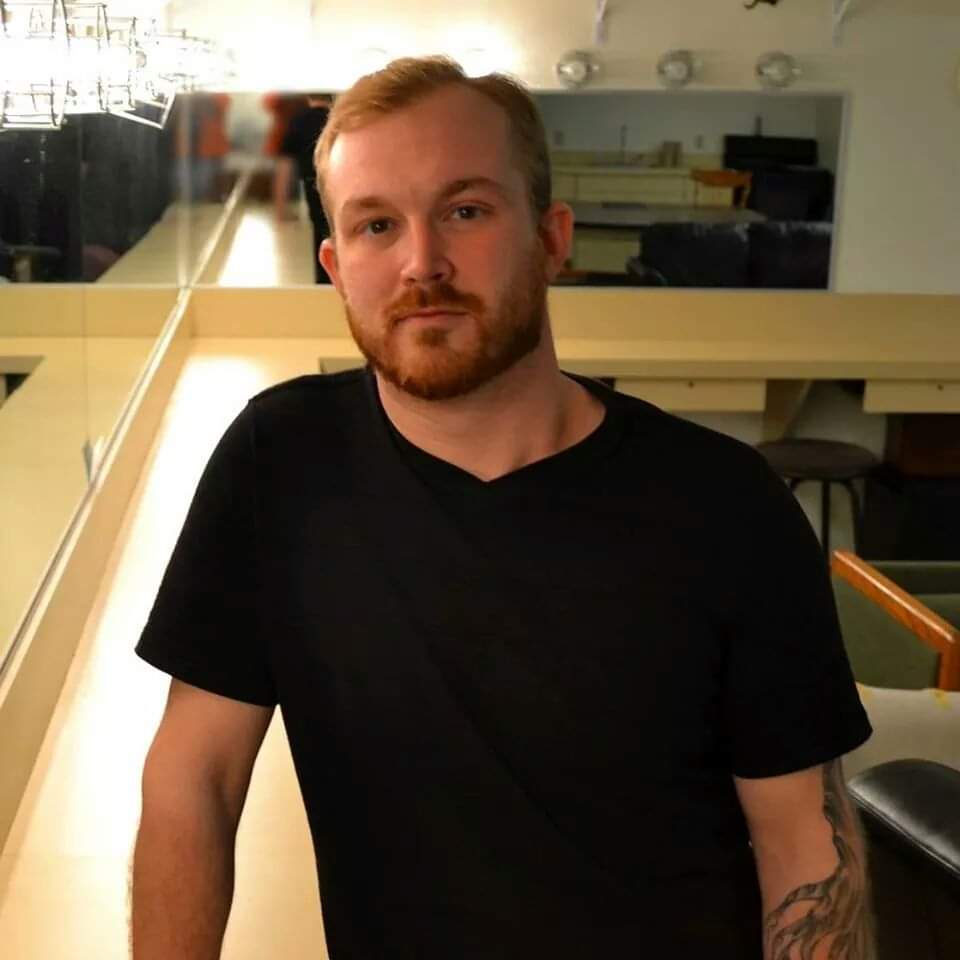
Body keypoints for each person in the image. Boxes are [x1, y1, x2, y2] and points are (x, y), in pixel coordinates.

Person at [132, 57, 874, 959]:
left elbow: (805, 839)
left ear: (553, 237)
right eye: (375, 225)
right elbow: (193, 778)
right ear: (334, 266)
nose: (422, 264)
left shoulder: (725, 505)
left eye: (466, 211)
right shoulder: (278, 465)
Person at [274, 92, 333, 283]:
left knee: (320, 233)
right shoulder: (338, 119)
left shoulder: (298, 121)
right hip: (337, 184)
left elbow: (284, 168)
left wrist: (280, 208)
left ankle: (324, 280)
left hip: (311, 183)